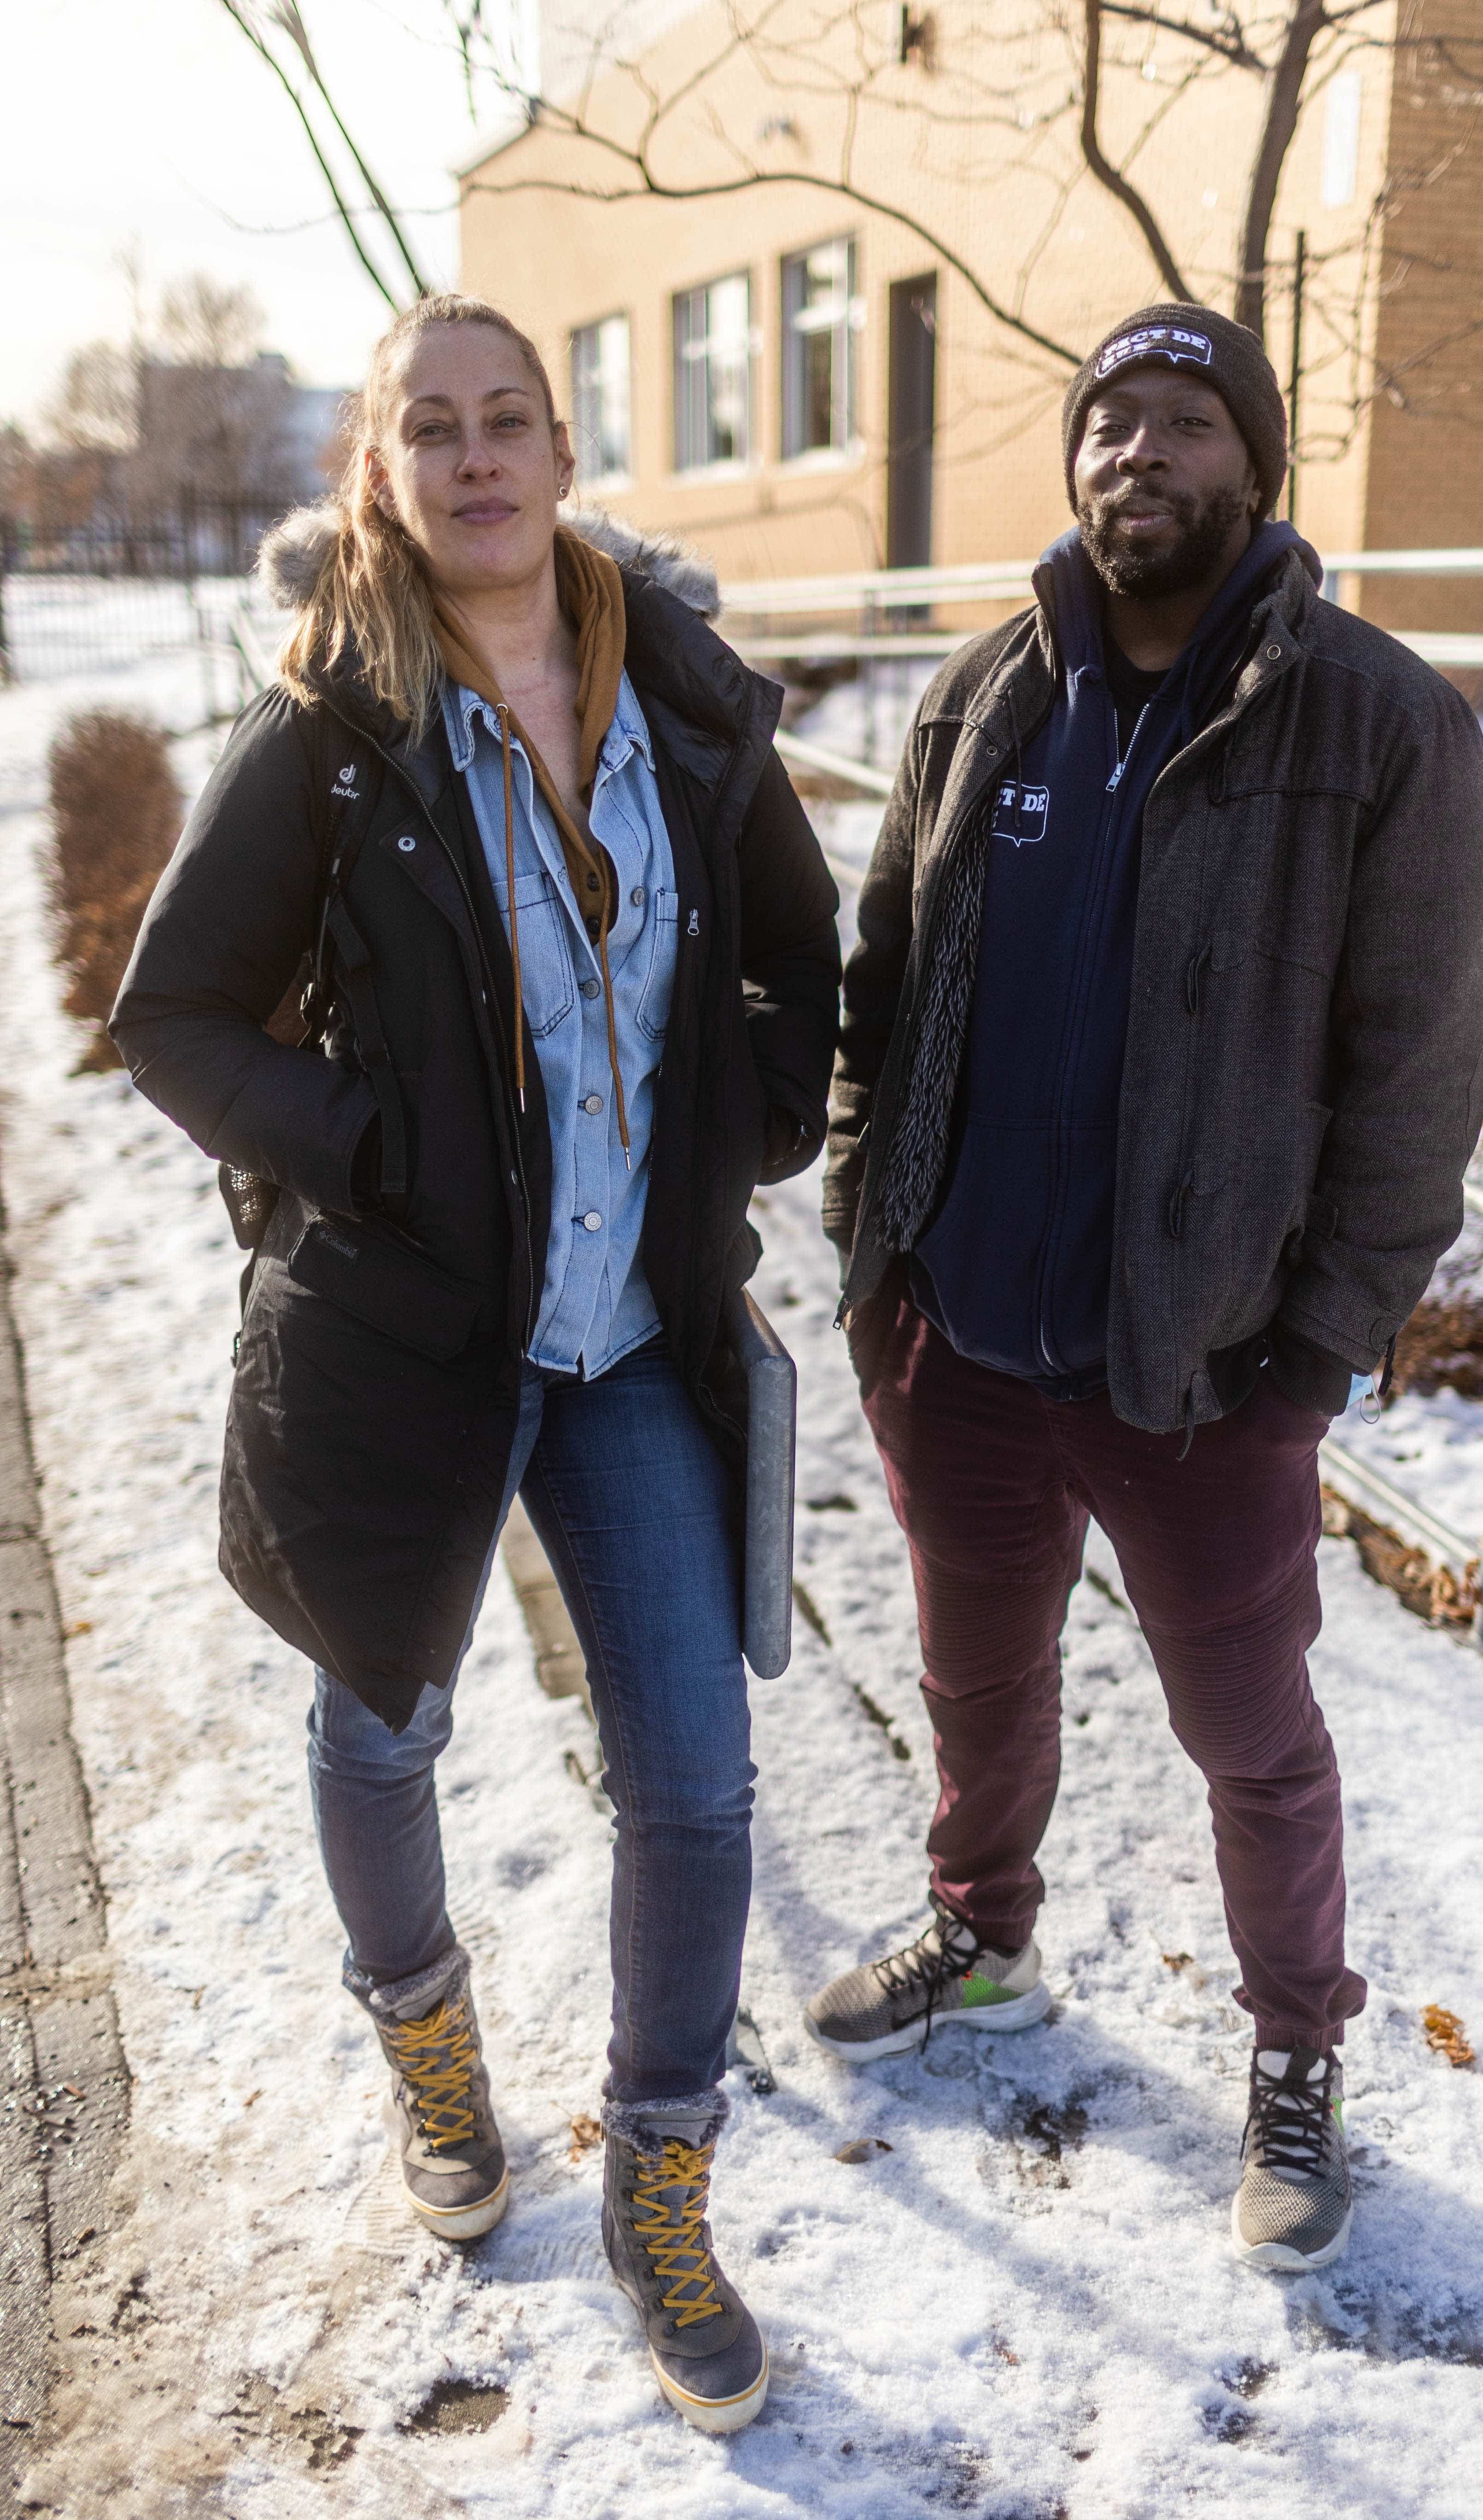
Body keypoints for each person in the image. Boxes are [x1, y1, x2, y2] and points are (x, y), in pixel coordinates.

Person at [111, 294, 840, 2431]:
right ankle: (429, 2043)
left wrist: (754, 1110)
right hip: (413, 1344)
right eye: (430, 427)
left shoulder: (687, 707)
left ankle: (661, 2174)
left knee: (697, 1780)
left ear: (561, 446)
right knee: (381, 1724)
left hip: (632, 1342)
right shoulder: (333, 735)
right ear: (382, 468)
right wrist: (374, 1152)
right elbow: (176, 1018)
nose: (476, 456)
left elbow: (801, 957)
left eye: (509, 417)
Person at [809, 302, 1483, 2273]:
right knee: (973, 1674)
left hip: (1203, 1373)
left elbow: (1420, 1073)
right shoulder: (978, 699)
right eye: (1109, 426)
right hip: (960, 1349)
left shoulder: (1377, 724)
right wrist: (878, 1257)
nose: (1138, 458)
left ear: (1254, 469)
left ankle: (1295, 2055)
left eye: (1185, 424)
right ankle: (985, 1928)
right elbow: (884, 992)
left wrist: (1314, 1349)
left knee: (1252, 1737)